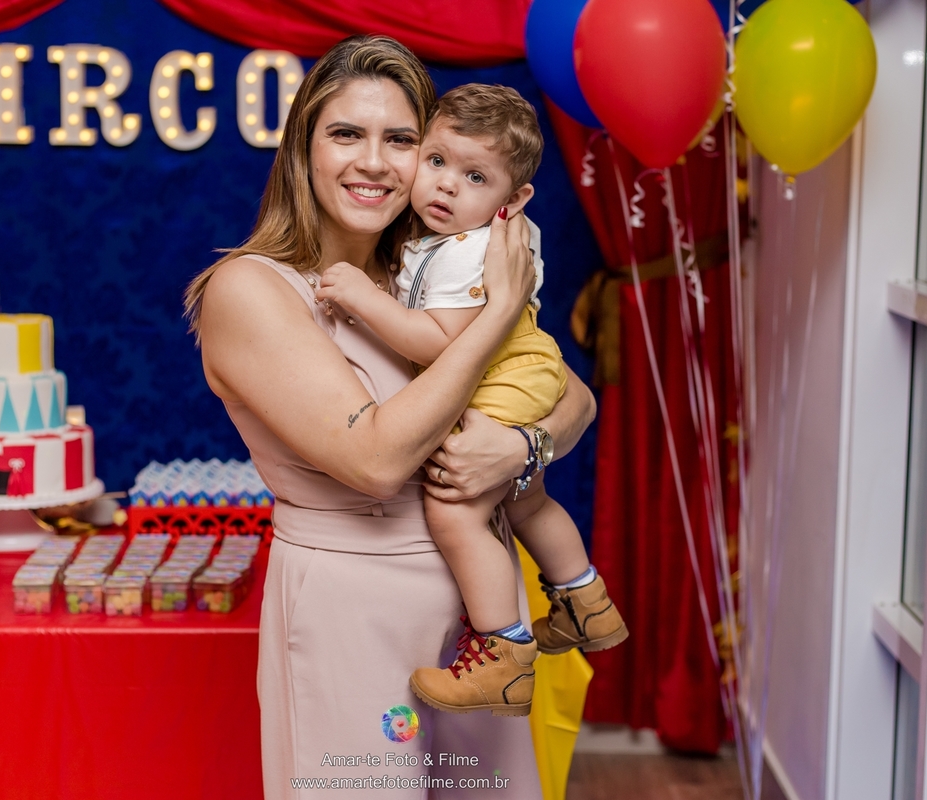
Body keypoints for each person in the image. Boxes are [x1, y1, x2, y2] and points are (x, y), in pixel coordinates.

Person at [186, 35, 595, 798]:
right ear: (303, 151)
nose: (374, 162)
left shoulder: (432, 271)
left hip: (482, 626)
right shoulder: (251, 289)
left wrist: (519, 449)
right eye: (346, 134)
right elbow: (374, 459)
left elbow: (573, 399)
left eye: (400, 140)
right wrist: (499, 312)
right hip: (352, 613)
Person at [314, 84, 627, 717]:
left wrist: (360, 296)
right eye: (435, 161)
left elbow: (439, 344)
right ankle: (585, 600)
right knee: (527, 495)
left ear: (513, 200)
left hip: (505, 368)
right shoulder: (481, 235)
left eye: (474, 176)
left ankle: (505, 658)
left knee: (457, 509)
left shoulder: (468, 251)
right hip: (527, 361)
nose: (446, 187)